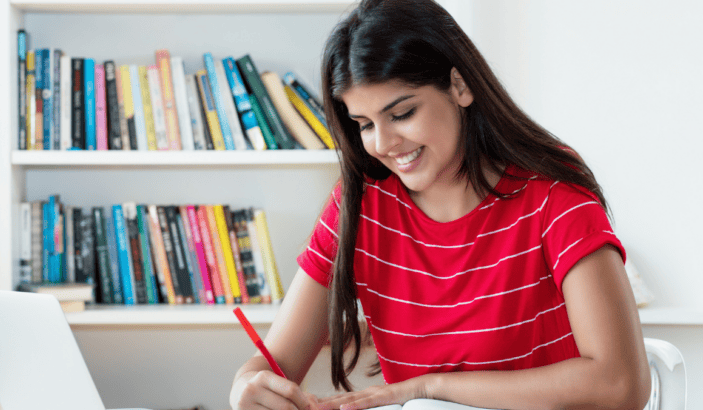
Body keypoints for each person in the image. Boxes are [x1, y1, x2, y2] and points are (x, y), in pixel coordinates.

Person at [230, 0, 651, 409]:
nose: (383, 143)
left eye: (402, 113)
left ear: (459, 85)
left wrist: (430, 387)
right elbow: (274, 365)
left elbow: (620, 384)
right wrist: (246, 385)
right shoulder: (359, 205)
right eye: (364, 124)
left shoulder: (551, 191)